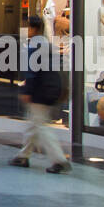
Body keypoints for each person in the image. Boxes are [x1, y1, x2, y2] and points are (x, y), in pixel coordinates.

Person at [9, 15, 70, 173]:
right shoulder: (47, 44)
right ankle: (23, 156)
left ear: (33, 29)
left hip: (41, 89)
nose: (26, 30)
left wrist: (27, 90)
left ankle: (59, 161)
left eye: (27, 27)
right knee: (34, 123)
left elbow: (31, 70)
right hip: (52, 87)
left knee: (40, 126)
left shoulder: (33, 46)